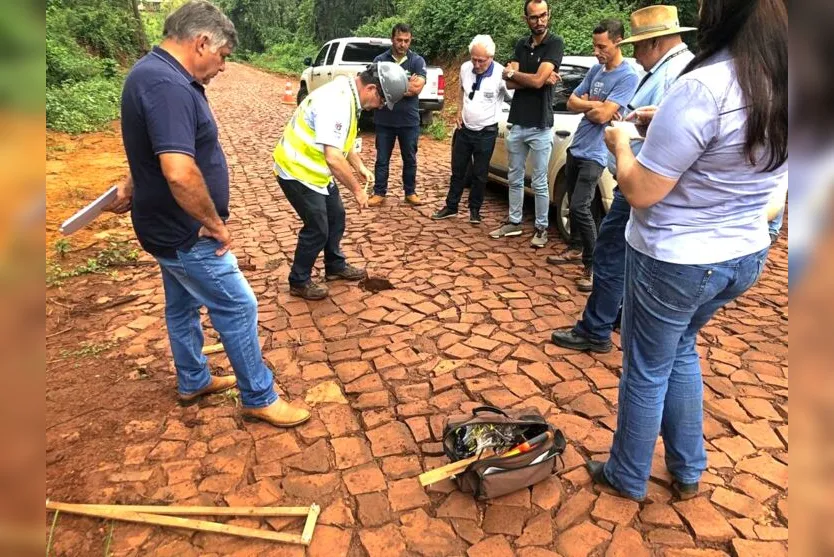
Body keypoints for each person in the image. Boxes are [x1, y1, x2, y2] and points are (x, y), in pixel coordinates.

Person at [589, 0, 788, 501]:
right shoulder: (789, 83)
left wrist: (620, 143)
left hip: (676, 258)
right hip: (743, 253)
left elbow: (640, 191)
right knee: (679, 351)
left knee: (645, 367)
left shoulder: (703, 86)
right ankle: (688, 468)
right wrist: (668, 120)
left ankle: (627, 475)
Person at [110, 0, 310, 427]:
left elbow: (151, 145)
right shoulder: (169, 86)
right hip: (186, 233)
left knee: (181, 305)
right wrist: (214, 224)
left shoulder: (149, 72)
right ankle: (258, 395)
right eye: (222, 57)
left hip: (163, 226)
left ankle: (193, 379)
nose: (222, 67)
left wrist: (133, 182)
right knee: (238, 306)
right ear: (201, 42)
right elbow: (179, 173)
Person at [550, 5, 695, 352]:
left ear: (654, 44)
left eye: (636, 47)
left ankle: (597, 327)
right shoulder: (676, 68)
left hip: (645, 184)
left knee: (610, 251)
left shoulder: (671, 75)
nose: (634, 55)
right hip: (644, 182)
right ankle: (613, 315)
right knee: (623, 251)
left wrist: (621, 134)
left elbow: (624, 120)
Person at [273, 62, 409, 300]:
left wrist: (360, 167)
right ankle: (299, 280)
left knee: (336, 216)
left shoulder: (349, 96)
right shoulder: (337, 102)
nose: (379, 108)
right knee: (317, 227)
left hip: (317, 172)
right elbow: (333, 157)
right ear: (371, 88)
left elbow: (341, 144)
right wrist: (357, 190)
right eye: (381, 101)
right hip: (297, 170)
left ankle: (334, 266)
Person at [558, 19, 639, 290]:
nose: (596, 51)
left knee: (581, 206)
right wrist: (594, 104)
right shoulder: (595, 70)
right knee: (579, 205)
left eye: (601, 46)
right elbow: (571, 102)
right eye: (594, 46)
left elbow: (605, 115)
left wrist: (592, 107)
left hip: (595, 152)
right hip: (577, 145)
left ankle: (593, 266)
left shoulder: (627, 76)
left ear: (617, 42)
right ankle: (576, 247)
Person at [489, 0, 563, 247]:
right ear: (526, 19)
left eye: (543, 16)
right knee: (515, 176)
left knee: (540, 181)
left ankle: (541, 228)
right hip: (518, 122)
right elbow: (510, 84)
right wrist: (533, 79)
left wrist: (517, 75)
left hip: (541, 125)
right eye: (534, 17)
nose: (539, 21)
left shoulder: (555, 43)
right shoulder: (521, 44)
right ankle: (514, 222)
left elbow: (534, 80)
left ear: (549, 15)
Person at [431, 35, 511, 224]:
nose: (476, 64)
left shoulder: (501, 73)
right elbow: (461, 90)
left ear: (491, 57)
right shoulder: (465, 68)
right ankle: (451, 206)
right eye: (473, 58)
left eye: (481, 61)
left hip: (487, 131)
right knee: (458, 171)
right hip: (464, 128)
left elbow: (514, 96)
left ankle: (475, 210)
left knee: (480, 174)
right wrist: (459, 111)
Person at [368, 23, 428, 207]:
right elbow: (375, 87)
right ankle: (379, 192)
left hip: (409, 120)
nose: (403, 44)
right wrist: (405, 85)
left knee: (410, 158)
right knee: (382, 159)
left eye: (406, 40)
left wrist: (390, 88)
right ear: (392, 39)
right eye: (399, 40)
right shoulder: (380, 60)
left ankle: (410, 192)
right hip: (384, 120)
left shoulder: (417, 61)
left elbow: (417, 88)